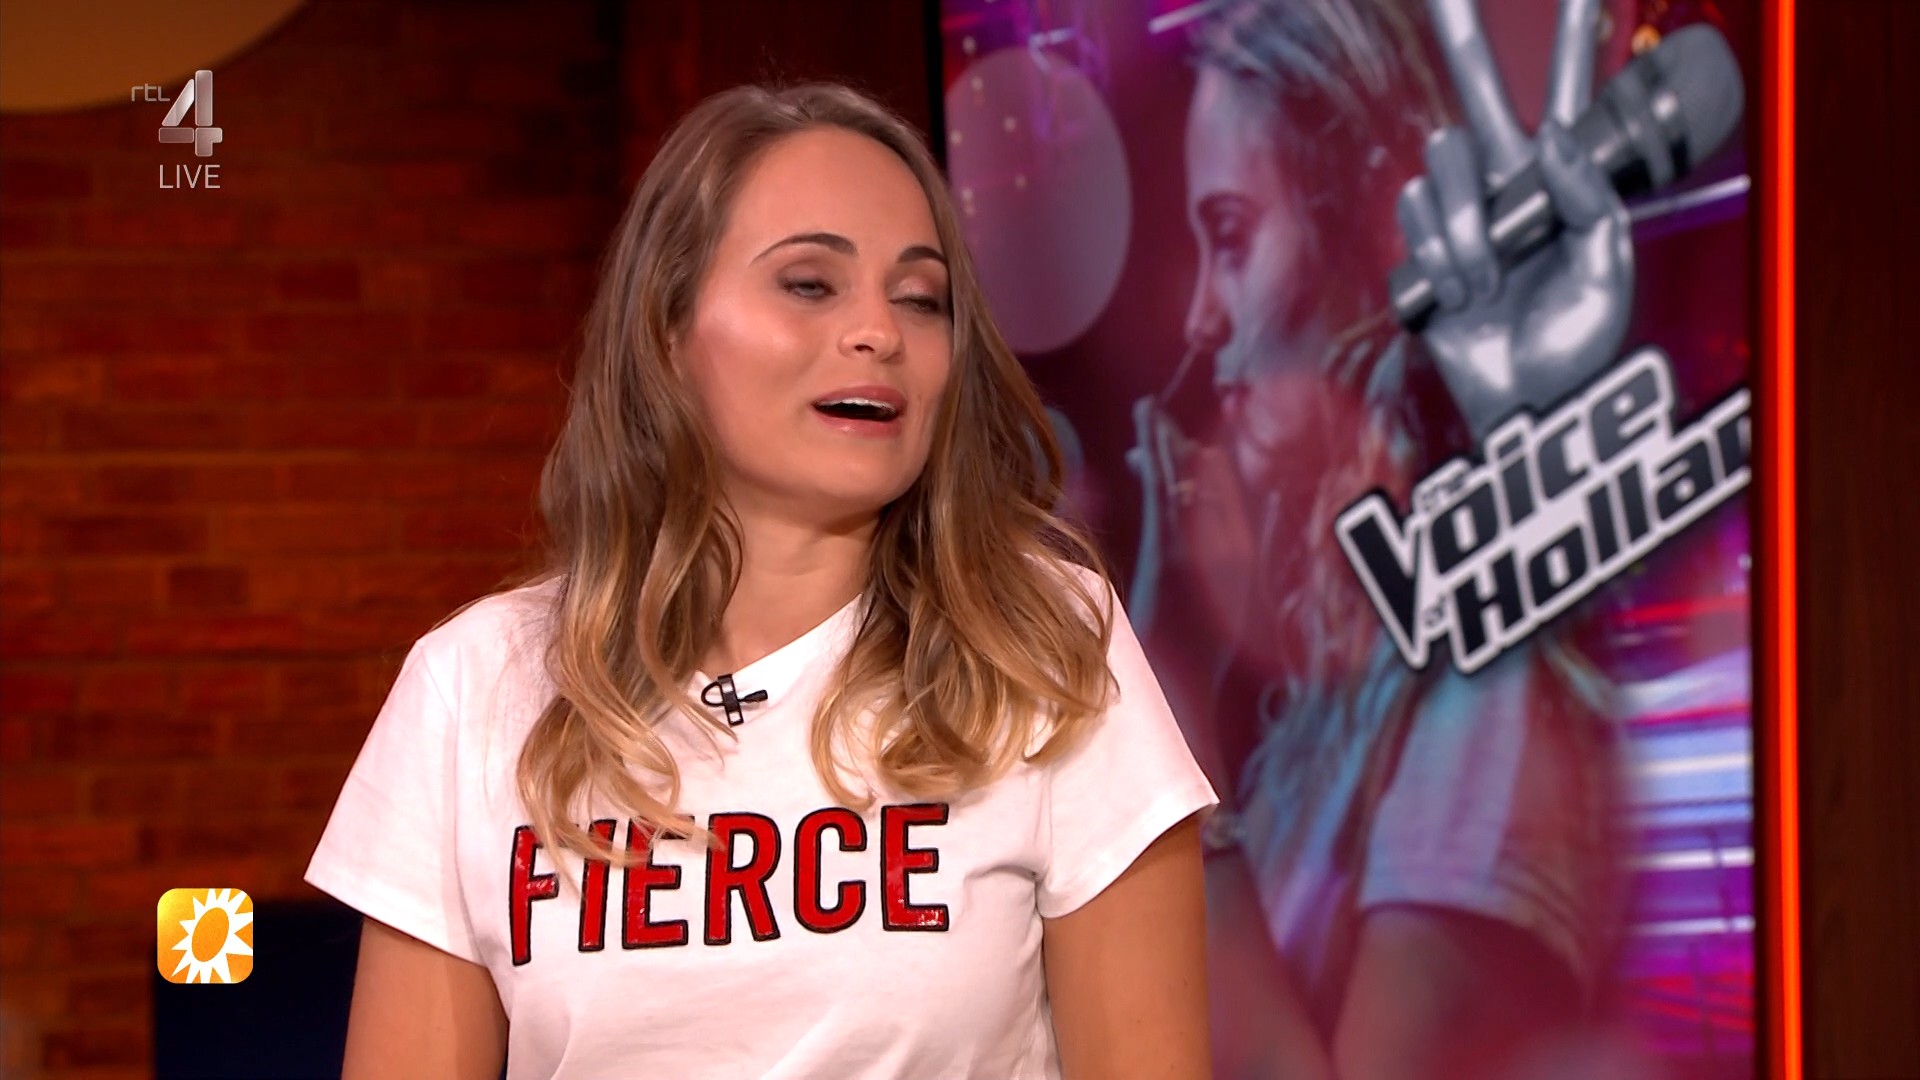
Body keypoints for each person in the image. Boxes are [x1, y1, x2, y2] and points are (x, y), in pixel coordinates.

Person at [304, 82, 1218, 1080]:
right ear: (667, 331)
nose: (880, 332)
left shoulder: (1044, 644)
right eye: (810, 284)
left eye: (921, 298)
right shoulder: (476, 685)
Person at [1125, 1, 1629, 1077]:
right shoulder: (1337, 689)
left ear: (1372, 229)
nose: (1201, 319)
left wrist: (1161, 708)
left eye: (1232, 237)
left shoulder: (1491, 700)